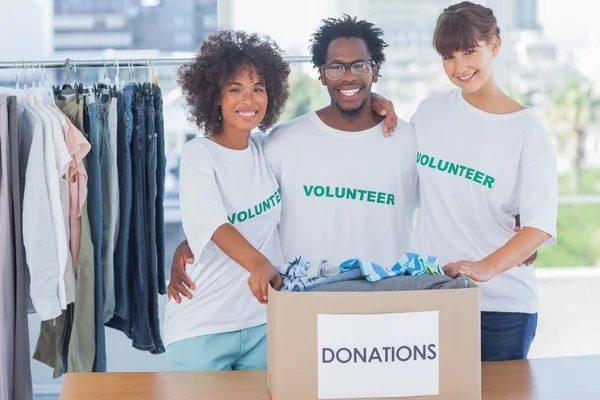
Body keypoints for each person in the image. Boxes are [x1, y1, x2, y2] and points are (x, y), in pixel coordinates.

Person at [164, 28, 398, 372]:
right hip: (203, 325)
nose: (249, 99)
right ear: (214, 95)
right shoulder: (199, 154)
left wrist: (374, 102)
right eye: (235, 89)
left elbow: (323, 138)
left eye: (258, 88)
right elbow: (212, 223)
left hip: (262, 323)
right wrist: (256, 262)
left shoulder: (268, 148)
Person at [410, 1, 558, 361]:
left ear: (494, 45)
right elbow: (401, 183)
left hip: (502, 309)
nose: (459, 66)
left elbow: (538, 227)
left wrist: (484, 267)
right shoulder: (430, 112)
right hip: (433, 297)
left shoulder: (527, 128)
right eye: (448, 56)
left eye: (469, 51)